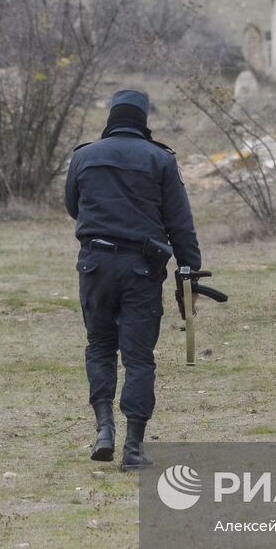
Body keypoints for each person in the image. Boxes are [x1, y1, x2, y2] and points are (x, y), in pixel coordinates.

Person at [65, 89, 200, 471]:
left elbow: (73, 206)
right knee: (139, 357)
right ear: (143, 119)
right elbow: (180, 223)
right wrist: (189, 272)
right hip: (141, 269)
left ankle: (104, 429)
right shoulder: (161, 159)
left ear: (112, 117)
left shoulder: (83, 156)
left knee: (99, 346)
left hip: (94, 266)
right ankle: (134, 448)